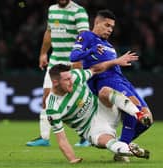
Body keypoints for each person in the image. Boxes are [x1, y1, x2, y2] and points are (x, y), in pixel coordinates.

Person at [70, 9, 153, 161]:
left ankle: (122, 145)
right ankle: (122, 149)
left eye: (112, 27)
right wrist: (92, 52)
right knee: (132, 107)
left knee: (148, 119)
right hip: (105, 80)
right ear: (96, 22)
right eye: (106, 25)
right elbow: (73, 56)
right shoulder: (86, 36)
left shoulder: (108, 44)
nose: (109, 29)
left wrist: (117, 62)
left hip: (121, 80)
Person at [45, 62, 150, 163]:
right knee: (105, 140)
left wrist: (116, 61)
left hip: (103, 109)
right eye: (67, 79)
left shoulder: (76, 76)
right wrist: (73, 159)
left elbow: (95, 69)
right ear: (55, 82)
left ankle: (139, 114)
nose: (71, 81)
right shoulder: (53, 108)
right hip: (91, 129)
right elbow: (61, 139)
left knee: (104, 91)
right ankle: (127, 149)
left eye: (70, 77)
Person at [26, 0, 90, 147]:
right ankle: (44, 137)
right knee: (46, 97)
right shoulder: (52, 9)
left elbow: (85, 36)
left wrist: (79, 59)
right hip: (55, 61)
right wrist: (43, 54)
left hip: (71, 62)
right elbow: (49, 32)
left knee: (76, 101)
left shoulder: (78, 11)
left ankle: (85, 137)